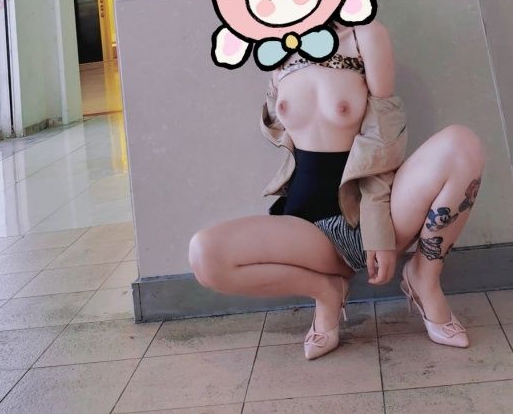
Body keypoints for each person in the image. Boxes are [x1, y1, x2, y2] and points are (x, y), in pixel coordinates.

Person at [188, 18, 485, 360]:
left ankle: (424, 277)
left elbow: (383, 138)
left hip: (380, 212)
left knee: (462, 145)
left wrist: (376, 230)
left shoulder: (364, 35)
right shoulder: (275, 48)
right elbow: (280, 127)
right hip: (308, 228)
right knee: (205, 255)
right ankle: (328, 291)